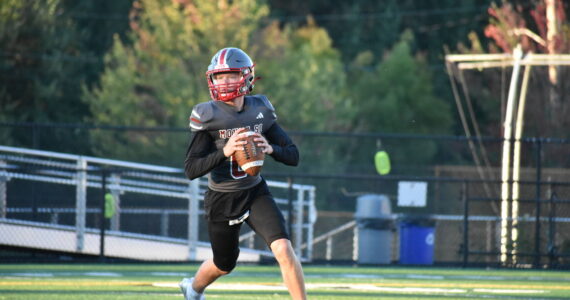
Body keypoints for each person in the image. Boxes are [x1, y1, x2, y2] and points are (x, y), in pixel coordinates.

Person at [179, 47, 307, 300]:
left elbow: (293, 155)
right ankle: (193, 289)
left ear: (247, 77)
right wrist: (225, 151)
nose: (223, 82)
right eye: (219, 76)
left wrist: (271, 149)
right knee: (224, 264)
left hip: (255, 192)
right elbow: (191, 169)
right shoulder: (208, 115)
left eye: (230, 75)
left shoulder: (259, 109)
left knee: (283, 248)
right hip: (222, 199)